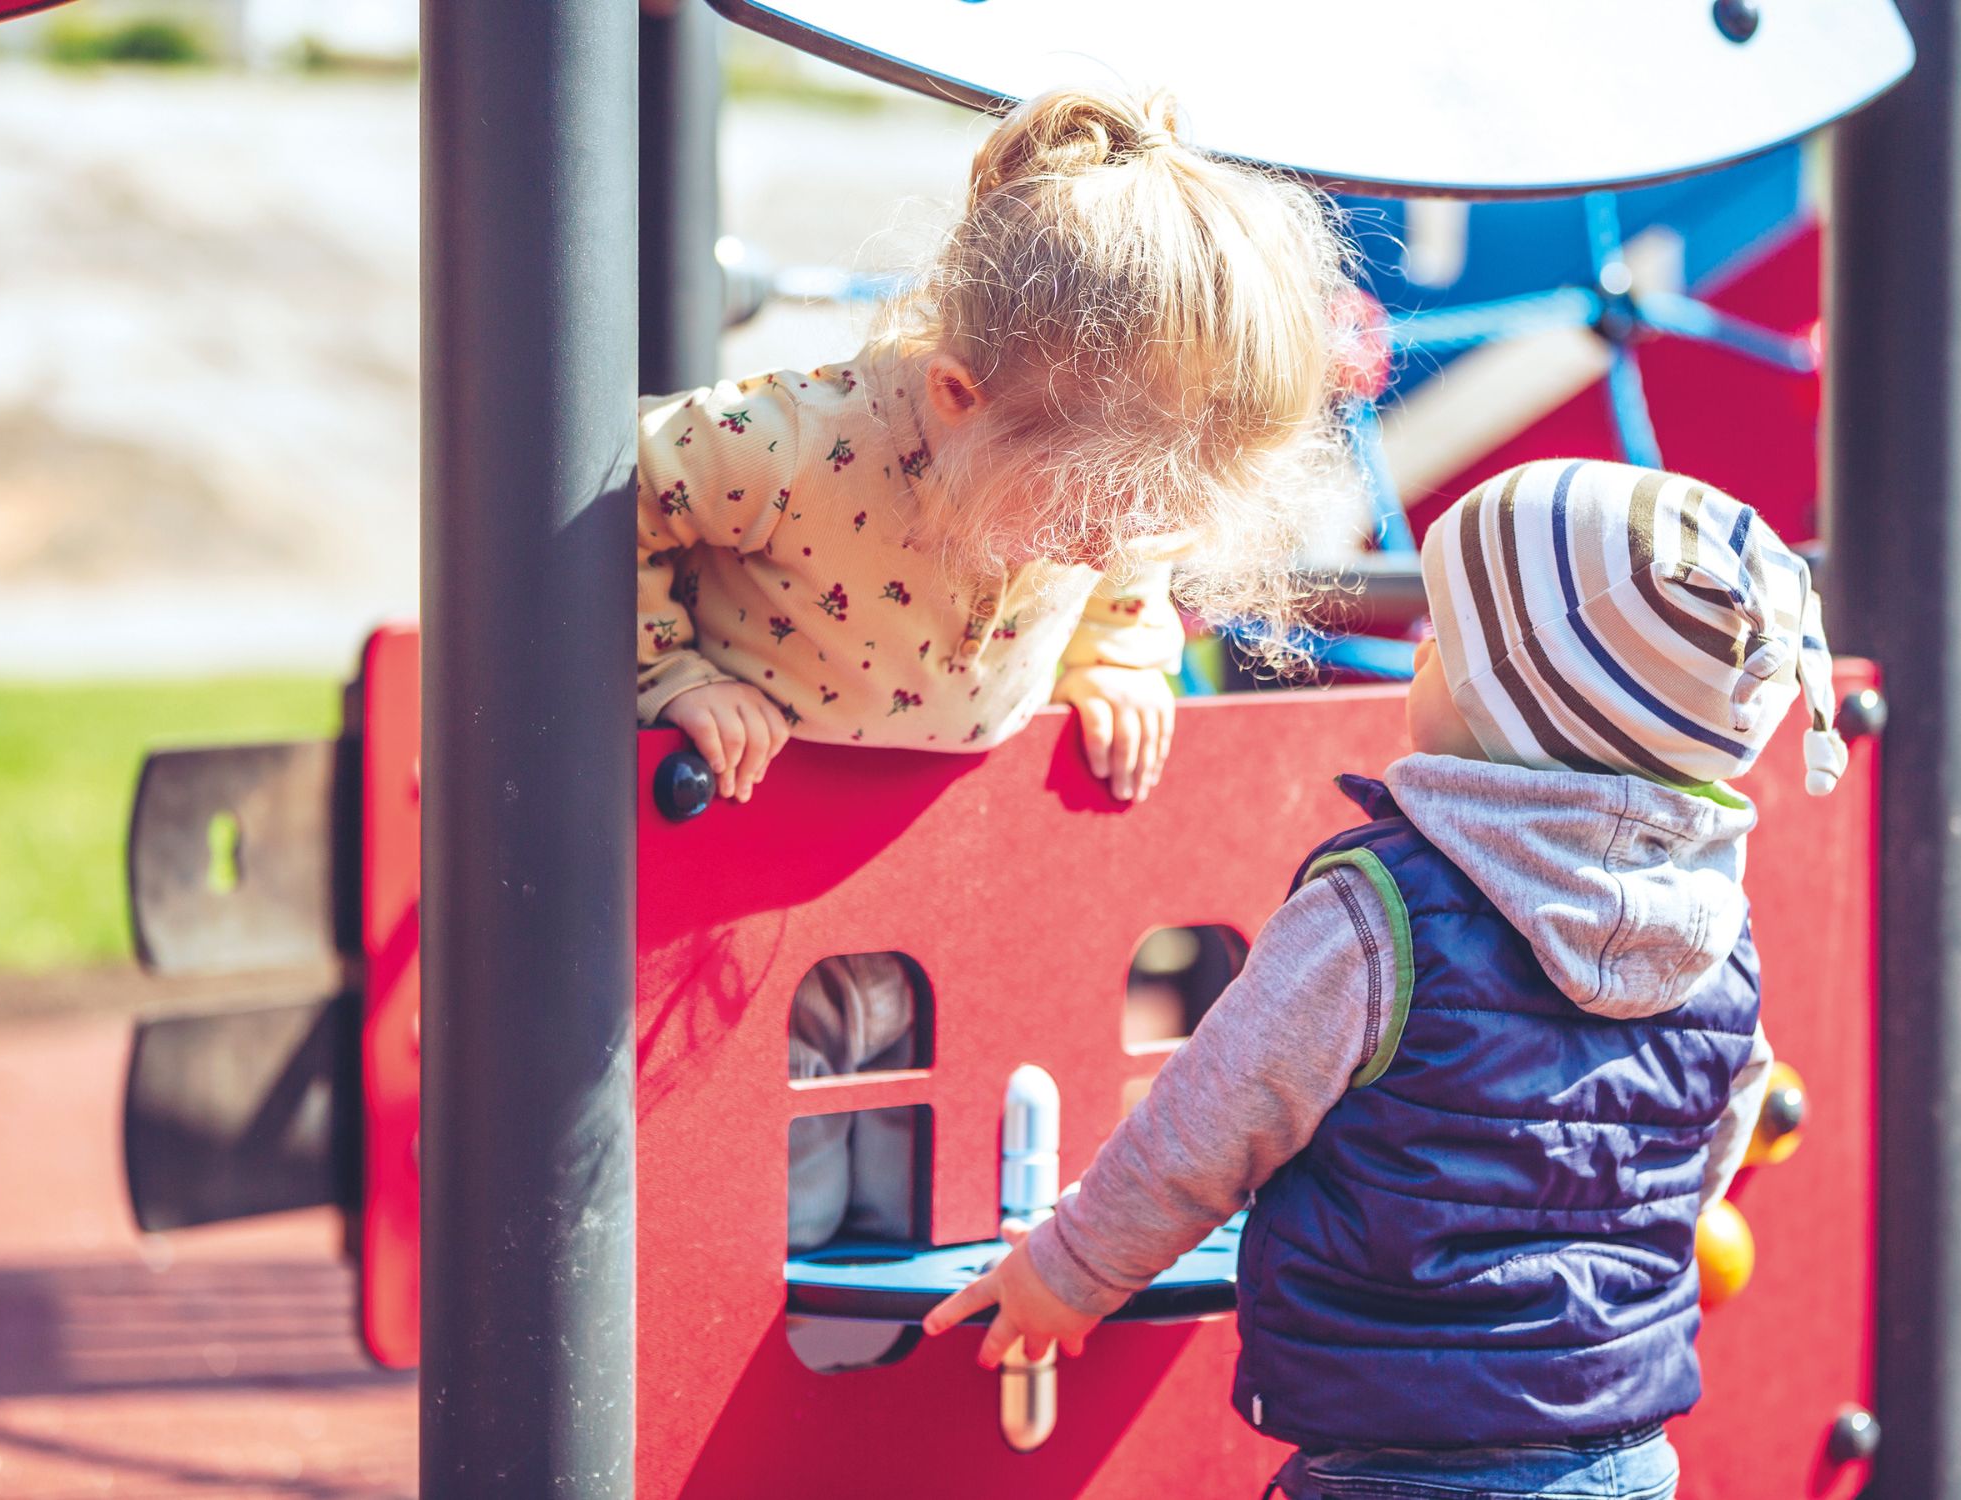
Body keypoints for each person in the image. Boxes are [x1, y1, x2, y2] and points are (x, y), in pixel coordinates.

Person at [923, 459, 1850, 1500]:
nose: (1417, 648)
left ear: (1513, 705)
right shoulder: (1713, 935)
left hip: (1400, 1456)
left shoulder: (1385, 910)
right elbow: (1702, 1153)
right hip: (1622, 1450)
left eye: (1446, 639)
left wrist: (1069, 1273)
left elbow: (1212, 1115)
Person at [633, 86, 1361, 1254]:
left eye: (1145, 520)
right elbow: (602, 507)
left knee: (943, 1196)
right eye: (1091, 511)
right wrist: (668, 677)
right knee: (795, 1216)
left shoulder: (1104, 492)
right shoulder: (791, 446)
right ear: (959, 401)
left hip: (951, 876)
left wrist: (1116, 654)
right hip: (755, 874)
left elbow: (1138, 558)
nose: (1108, 544)